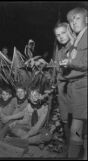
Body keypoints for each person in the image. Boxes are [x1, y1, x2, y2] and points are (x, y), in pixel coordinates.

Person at [59, 7, 87, 159]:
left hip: (84, 89)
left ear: (87, 19)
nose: (73, 22)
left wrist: (70, 62)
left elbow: (85, 62)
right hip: (75, 90)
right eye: (71, 20)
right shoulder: (77, 39)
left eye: (77, 18)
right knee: (78, 130)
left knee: (77, 128)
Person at [53, 22, 75, 150]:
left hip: (74, 95)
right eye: (57, 35)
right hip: (63, 96)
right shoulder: (60, 51)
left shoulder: (77, 48)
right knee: (65, 122)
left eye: (63, 33)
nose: (60, 37)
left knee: (77, 129)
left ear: (69, 31)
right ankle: (69, 149)